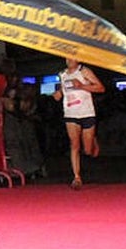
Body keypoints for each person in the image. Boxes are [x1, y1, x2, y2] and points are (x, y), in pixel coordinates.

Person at [52, 57, 104, 190]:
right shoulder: (62, 74)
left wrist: (82, 86)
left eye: (72, 57)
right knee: (74, 145)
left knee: (88, 150)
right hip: (71, 113)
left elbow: (100, 88)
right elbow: (63, 90)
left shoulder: (84, 71)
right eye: (67, 58)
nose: (69, 60)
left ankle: (93, 141)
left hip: (86, 112)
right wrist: (58, 94)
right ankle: (76, 177)